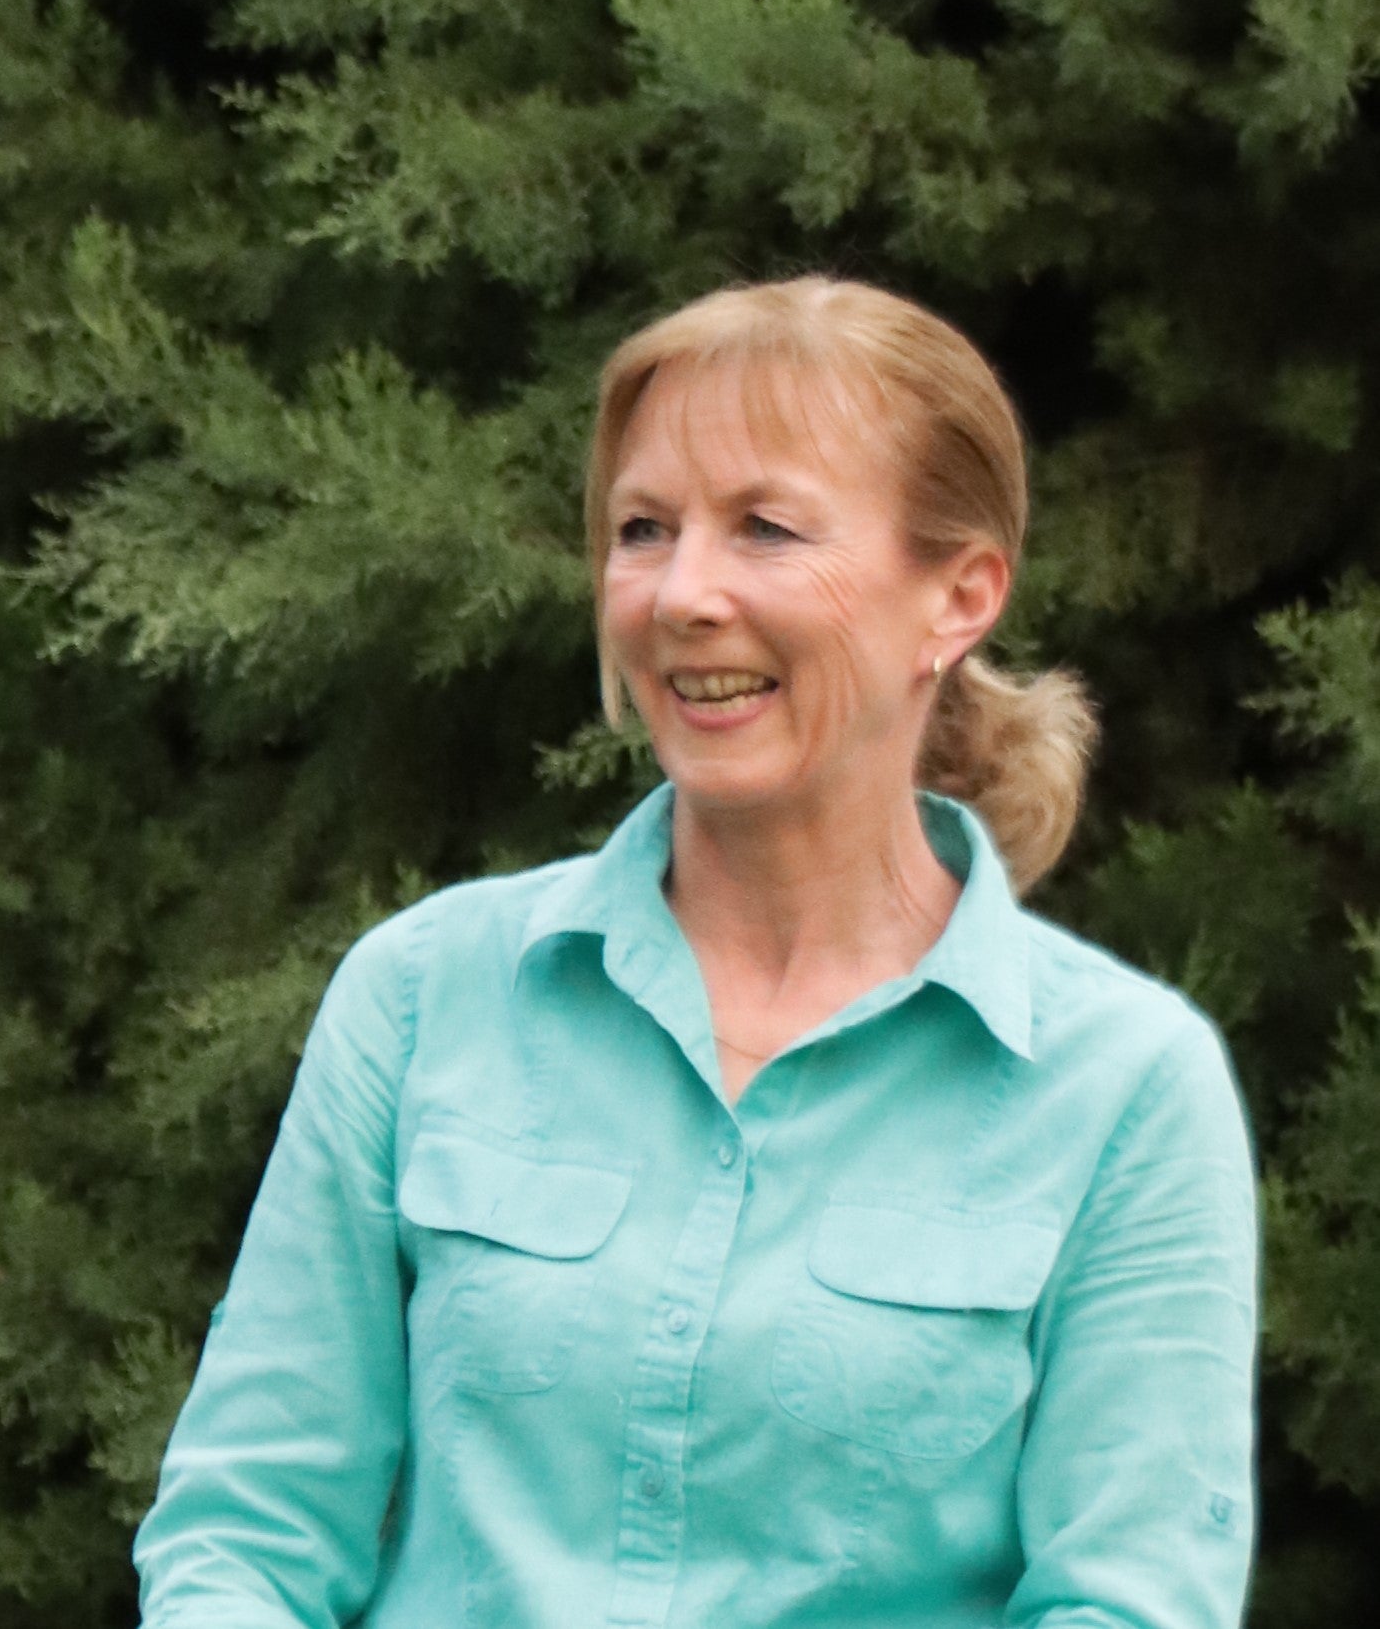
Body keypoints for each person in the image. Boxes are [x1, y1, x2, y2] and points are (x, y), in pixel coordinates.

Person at [133, 279, 1259, 1628]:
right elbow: (242, 1538)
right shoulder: (424, 993)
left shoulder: (1123, 1086)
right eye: (640, 530)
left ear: (956, 595)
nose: (679, 595)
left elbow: (1125, 1603)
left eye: (765, 529)